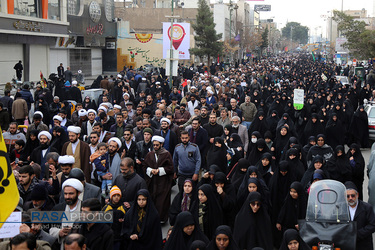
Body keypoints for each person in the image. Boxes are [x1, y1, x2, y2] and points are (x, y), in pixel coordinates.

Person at [142, 135, 174, 223]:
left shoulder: (166, 154)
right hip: (152, 182)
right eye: (154, 145)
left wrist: (159, 170)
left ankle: (161, 219)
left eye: (157, 145)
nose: (155, 146)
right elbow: (144, 166)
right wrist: (151, 170)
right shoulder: (150, 154)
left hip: (163, 182)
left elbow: (171, 168)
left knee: (162, 201)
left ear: (161, 144)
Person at [345, 181, 375, 249]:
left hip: (364, 244)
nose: (350, 198)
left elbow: (372, 225)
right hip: (347, 244)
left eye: (353, 196)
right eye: (348, 196)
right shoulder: (341, 209)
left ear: (357, 195)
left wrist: (357, 234)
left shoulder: (367, 207)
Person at [102, 186, 127, 250]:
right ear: (111, 197)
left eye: (118, 195)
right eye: (114, 195)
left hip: (119, 236)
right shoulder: (106, 208)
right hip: (108, 236)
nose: (116, 197)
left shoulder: (123, 208)